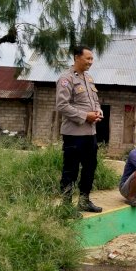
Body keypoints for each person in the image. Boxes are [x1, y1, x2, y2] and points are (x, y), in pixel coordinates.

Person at [55, 45, 103, 213]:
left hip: (90, 134)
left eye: (92, 59)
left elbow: (95, 100)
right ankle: (66, 206)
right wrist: (85, 116)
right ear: (76, 57)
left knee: (90, 168)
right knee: (71, 169)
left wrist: (98, 111)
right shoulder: (66, 79)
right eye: (87, 58)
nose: (90, 62)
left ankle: (84, 201)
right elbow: (62, 105)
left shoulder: (88, 79)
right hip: (74, 134)